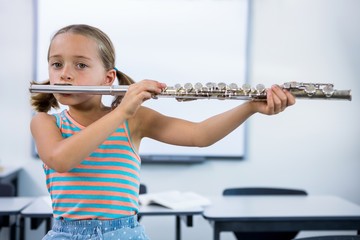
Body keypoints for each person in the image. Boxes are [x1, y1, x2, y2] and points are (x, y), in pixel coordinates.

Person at [30, 24, 296, 240]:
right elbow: (61, 159)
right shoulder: (45, 122)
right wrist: (122, 111)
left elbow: (199, 135)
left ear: (108, 78)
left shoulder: (134, 120)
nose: (65, 75)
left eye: (80, 65)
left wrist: (249, 107)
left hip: (124, 234)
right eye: (56, 64)